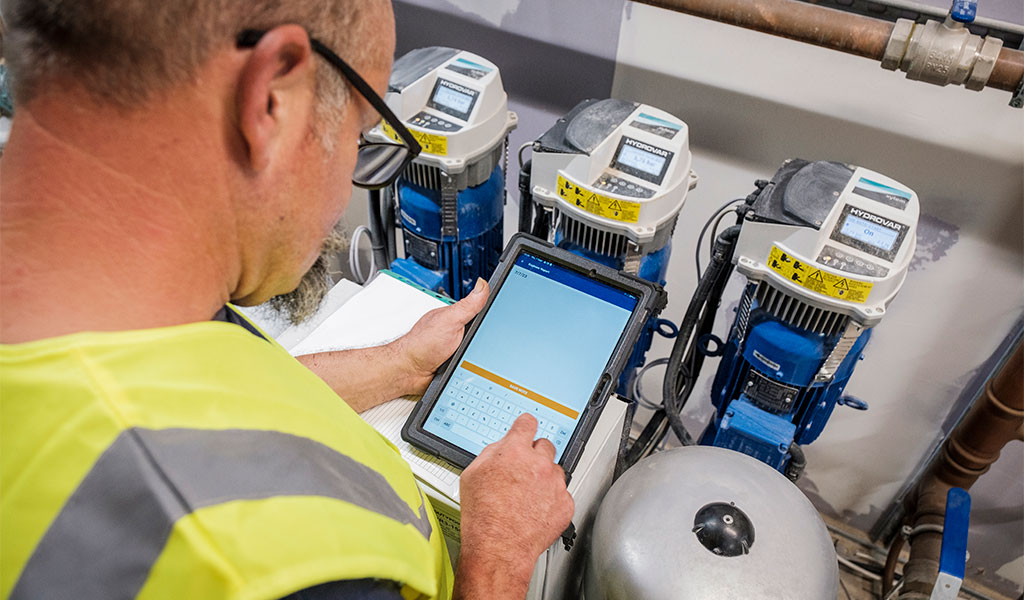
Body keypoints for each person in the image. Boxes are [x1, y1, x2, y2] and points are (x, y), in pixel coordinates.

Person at [0, 1, 574, 599]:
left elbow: (203, 404)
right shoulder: (268, 574)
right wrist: (496, 561)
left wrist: (396, 364)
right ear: (271, 97)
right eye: (360, 136)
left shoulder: (125, 302)